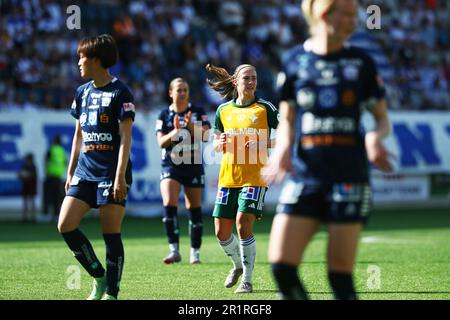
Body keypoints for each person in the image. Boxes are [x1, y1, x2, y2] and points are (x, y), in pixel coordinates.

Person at [263, 0, 393, 300]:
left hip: (349, 177)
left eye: (355, 14)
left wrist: (375, 137)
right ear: (324, 15)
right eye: (347, 14)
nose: (354, 21)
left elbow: (382, 117)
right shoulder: (294, 60)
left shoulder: (361, 62)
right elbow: (288, 117)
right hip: (306, 175)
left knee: (339, 278)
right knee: (282, 268)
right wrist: (282, 146)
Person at [57, 34, 135, 300]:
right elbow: (78, 135)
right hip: (84, 172)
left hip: (110, 174)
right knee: (65, 225)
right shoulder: (82, 92)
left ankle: (112, 293)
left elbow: (126, 138)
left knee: (110, 235)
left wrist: (119, 177)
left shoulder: (120, 92)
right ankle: (98, 277)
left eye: (83, 57)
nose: (79, 62)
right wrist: (70, 171)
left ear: (97, 60)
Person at [206, 63, 279, 293]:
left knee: (242, 224)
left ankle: (247, 280)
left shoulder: (265, 108)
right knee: (221, 232)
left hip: (254, 177)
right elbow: (216, 142)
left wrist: (263, 143)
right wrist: (220, 143)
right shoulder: (223, 110)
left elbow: (286, 136)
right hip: (228, 177)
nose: (251, 82)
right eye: (246, 78)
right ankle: (237, 266)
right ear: (236, 82)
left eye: (254, 78)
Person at [155, 77, 211, 264]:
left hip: (193, 165)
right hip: (170, 165)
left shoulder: (198, 112)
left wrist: (189, 127)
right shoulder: (164, 115)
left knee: (194, 209)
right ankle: (174, 250)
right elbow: (161, 142)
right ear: (170, 93)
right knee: (169, 203)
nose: (182, 93)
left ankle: (195, 252)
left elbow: (206, 135)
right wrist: (175, 132)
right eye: (179, 90)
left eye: (185, 89)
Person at [41, 135, 67, 223]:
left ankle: (47, 215)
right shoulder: (62, 151)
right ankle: (56, 215)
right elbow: (65, 162)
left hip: (51, 176)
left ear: (54, 141)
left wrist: (46, 172)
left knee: (49, 196)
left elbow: (46, 161)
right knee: (58, 197)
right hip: (59, 177)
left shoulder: (51, 149)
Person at [18, 153, 37, 223]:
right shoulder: (24, 166)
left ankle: (33, 217)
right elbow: (20, 175)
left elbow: (33, 176)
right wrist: (22, 175)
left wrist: (26, 175)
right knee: (25, 202)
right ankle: (25, 217)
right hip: (26, 186)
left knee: (32, 201)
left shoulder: (33, 167)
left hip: (31, 186)